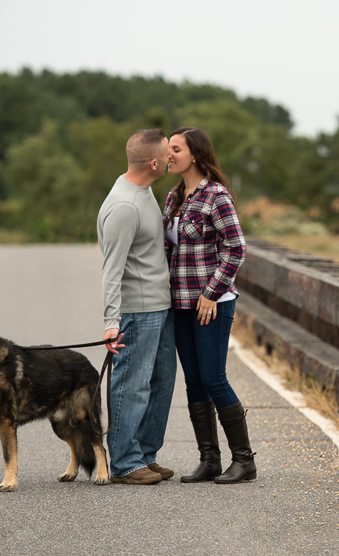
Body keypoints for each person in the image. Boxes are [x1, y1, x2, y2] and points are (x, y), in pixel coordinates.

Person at [163, 126, 255, 484]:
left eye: (175, 149)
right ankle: (209, 460)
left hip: (211, 304)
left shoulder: (216, 195)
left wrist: (211, 293)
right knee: (194, 383)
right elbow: (170, 251)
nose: (169, 154)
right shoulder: (173, 197)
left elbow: (236, 248)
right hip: (180, 303)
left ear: (196, 155)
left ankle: (244, 460)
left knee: (214, 379)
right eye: (168, 148)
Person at [97, 128, 176, 485]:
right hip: (137, 311)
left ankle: (145, 454)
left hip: (160, 305)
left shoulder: (144, 191)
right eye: (168, 154)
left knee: (161, 383)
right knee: (132, 385)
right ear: (155, 162)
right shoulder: (124, 206)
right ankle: (125, 463)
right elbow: (111, 271)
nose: (172, 157)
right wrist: (112, 321)